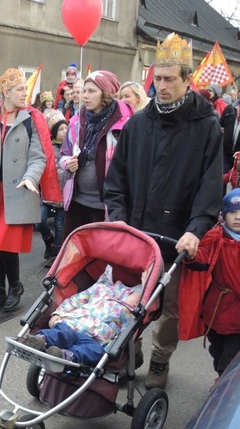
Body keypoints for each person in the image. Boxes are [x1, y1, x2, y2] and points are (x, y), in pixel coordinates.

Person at [104, 33, 223, 390]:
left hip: (176, 234)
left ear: (188, 80)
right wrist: (118, 217)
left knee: (168, 308)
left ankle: (159, 360)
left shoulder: (206, 127)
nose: (163, 85)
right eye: (158, 78)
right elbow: (117, 178)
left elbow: (210, 185)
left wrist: (197, 228)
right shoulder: (138, 123)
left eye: (171, 78)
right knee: (130, 298)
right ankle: (131, 348)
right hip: (137, 230)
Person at [0, 68, 52, 313]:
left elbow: (39, 158)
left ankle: (14, 287)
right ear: (6, 92)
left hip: (15, 191)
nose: (24, 94)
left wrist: (30, 178)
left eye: (25, 89)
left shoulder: (31, 120)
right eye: (19, 89)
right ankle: (0, 290)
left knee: (4, 243)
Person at [59, 70, 134, 238]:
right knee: (73, 256)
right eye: (85, 90)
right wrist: (67, 163)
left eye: (92, 91)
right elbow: (63, 154)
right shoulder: (77, 120)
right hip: (76, 201)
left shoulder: (126, 123)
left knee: (100, 259)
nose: (85, 96)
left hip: (107, 207)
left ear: (106, 94)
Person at [22, 265, 143, 366]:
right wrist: (58, 313)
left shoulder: (128, 312)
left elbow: (126, 331)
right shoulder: (101, 289)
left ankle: (65, 355)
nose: (133, 302)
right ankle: (39, 340)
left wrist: (113, 346)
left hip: (95, 339)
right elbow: (75, 301)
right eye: (134, 298)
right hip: (73, 324)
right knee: (61, 333)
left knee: (96, 351)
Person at [179, 188, 240, 377]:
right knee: (217, 350)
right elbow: (202, 259)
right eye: (232, 212)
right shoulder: (215, 238)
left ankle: (223, 388)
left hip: (238, 314)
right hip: (217, 307)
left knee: (230, 360)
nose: (238, 217)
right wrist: (191, 254)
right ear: (223, 214)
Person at [36, 110, 68, 262]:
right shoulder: (47, 148)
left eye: (66, 128)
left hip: (64, 195)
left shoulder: (71, 148)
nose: (64, 132)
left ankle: (56, 252)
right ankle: (48, 240)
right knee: (39, 220)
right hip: (48, 195)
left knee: (60, 225)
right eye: (61, 129)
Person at [206, 83, 237, 173]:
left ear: (215, 93)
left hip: (226, 144)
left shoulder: (220, 104)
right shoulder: (212, 103)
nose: (209, 92)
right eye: (208, 90)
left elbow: (219, 122)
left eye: (210, 91)